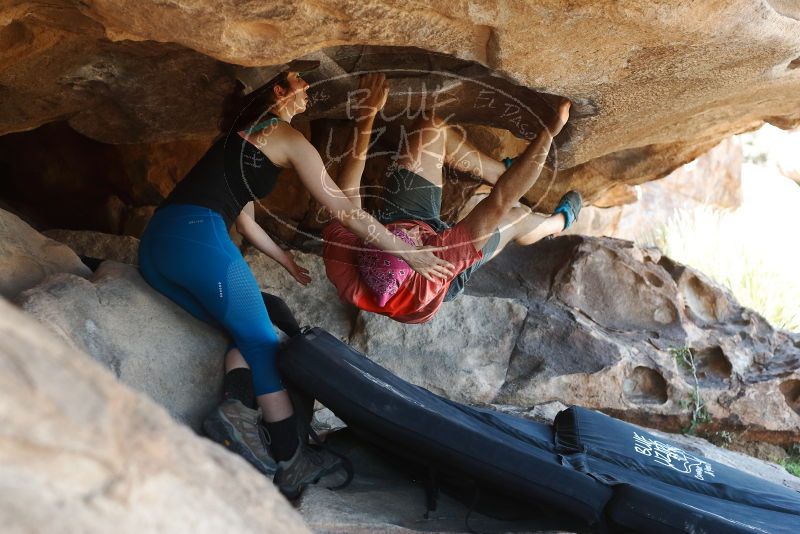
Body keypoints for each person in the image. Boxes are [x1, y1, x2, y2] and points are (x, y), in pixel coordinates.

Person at [137, 62, 452, 499]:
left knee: (256, 318)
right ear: (279, 90)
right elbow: (343, 208)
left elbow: (244, 219)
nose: (308, 89)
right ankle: (291, 458)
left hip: (157, 246)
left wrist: (282, 256)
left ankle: (238, 412)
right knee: (265, 340)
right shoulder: (283, 135)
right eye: (300, 80)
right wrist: (406, 251)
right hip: (197, 239)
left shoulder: (235, 139)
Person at [323, 92, 580, 324]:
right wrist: (549, 132)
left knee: (431, 127)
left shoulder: (341, 252)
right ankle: (558, 222)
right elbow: (501, 199)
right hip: (442, 275)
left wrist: (366, 114)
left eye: (401, 239)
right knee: (517, 216)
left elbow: (348, 191)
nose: (414, 235)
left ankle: (499, 171)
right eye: (413, 242)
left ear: (370, 238)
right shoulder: (438, 267)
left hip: (398, 217)